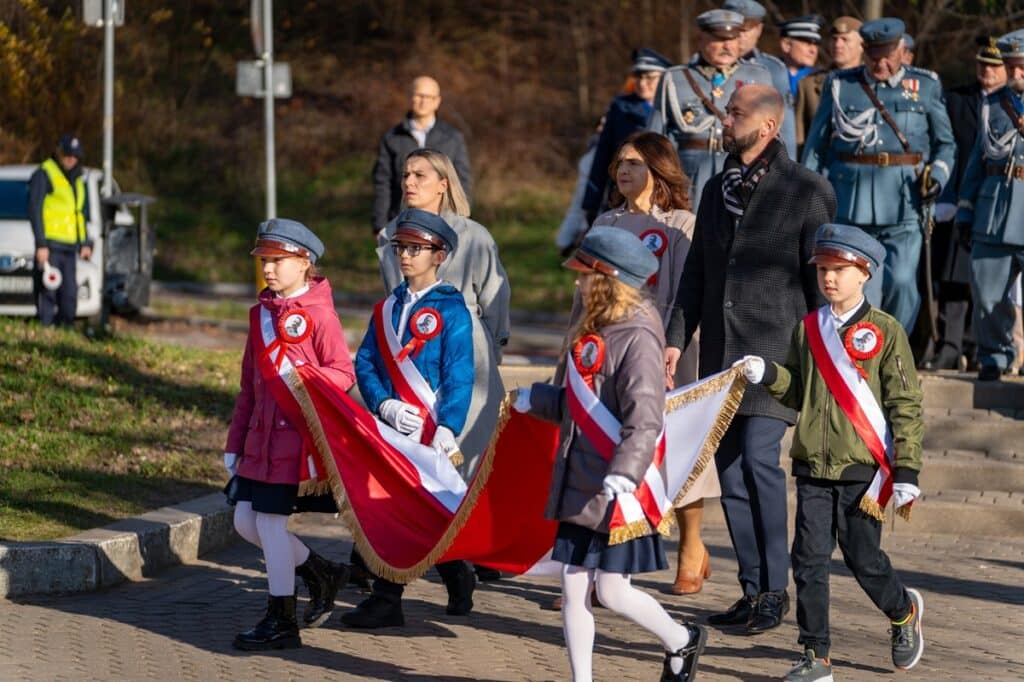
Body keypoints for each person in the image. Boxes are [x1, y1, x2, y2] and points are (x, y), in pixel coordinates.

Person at [664, 84, 836, 635]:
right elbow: (696, 274)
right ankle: (752, 587)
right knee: (732, 472)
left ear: (767, 126)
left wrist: (824, 361)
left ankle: (776, 592)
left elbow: (819, 285)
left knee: (761, 462)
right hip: (721, 354)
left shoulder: (807, 190)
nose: (725, 119)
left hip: (778, 357)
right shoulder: (716, 189)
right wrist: (675, 337)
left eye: (735, 113)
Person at [514, 226, 707, 682]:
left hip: (619, 489)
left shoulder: (638, 335)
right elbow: (578, 403)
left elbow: (646, 416)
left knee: (614, 591)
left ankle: (682, 639)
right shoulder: (594, 328)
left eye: (585, 277)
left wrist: (626, 471)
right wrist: (537, 399)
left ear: (607, 280)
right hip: (582, 478)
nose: (577, 284)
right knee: (574, 583)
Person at [739, 222, 925, 680]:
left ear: (864, 274)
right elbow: (797, 389)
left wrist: (908, 470)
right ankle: (815, 655)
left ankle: (903, 613)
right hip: (812, 466)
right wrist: (769, 375)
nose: (828, 278)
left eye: (839, 269)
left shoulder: (886, 330)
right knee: (808, 560)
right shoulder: (809, 329)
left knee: (864, 559)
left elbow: (905, 404)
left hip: (863, 469)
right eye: (823, 268)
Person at [591, 131, 719, 594]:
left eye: (634, 163)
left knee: (680, 445)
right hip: (613, 348)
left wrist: (673, 346)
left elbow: (690, 291)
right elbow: (587, 291)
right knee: (617, 445)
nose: (623, 171)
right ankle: (613, 554)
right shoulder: (604, 222)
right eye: (619, 164)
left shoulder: (682, 224)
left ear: (659, 169)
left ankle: (691, 545)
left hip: (670, 347)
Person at [224, 218, 355, 650]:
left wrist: (306, 378)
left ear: (305, 263)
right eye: (265, 259)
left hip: (294, 443)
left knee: (271, 526)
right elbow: (249, 387)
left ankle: (282, 619)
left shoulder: (320, 314)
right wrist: (234, 443)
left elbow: (342, 372)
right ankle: (320, 571)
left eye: (278, 260)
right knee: (246, 523)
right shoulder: (260, 315)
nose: (269, 268)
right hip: (259, 444)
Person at [344, 208, 477, 628]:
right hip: (391, 428)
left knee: (431, 511)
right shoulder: (385, 308)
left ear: (439, 255)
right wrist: (382, 403)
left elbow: (460, 375)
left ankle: (457, 573)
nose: (405, 255)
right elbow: (365, 362)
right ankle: (387, 598)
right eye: (402, 247)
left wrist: (448, 427)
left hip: (429, 430)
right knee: (389, 509)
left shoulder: (452, 310)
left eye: (416, 248)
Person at [803, 17, 956, 334]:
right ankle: (854, 353)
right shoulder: (840, 84)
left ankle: (892, 346)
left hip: (905, 199)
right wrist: (812, 194)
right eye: (873, 55)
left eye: (887, 55)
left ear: (902, 50)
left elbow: (945, 144)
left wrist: (938, 177)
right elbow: (816, 147)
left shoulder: (925, 86)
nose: (880, 63)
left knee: (901, 281)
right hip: (850, 199)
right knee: (853, 285)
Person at [376, 149, 510, 478]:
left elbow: (495, 296)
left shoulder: (473, 236)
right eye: (406, 174)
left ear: (442, 185)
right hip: (410, 356)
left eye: (419, 175)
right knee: (413, 460)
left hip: (467, 351)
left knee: (466, 457)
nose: (408, 181)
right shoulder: (388, 235)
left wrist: (491, 349)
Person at [925, 35, 1007, 370]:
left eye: (994, 65)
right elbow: (946, 148)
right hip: (959, 200)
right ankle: (950, 344)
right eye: (982, 63)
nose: (986, 70)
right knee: (953, 277)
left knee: (987, 278)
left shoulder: (1011, 103)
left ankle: (978, 346)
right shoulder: (956, 99)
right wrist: (946, 198)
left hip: (999, 203)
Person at [648, 9, 772, 209]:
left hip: (742, 174)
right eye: (719, 39)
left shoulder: (759, 77)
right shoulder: (675, 79)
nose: (727, 46)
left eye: (732, 39)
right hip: (688, 178)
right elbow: (654, 138)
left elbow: (773, 135)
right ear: (701, 39)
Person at [954, 29, 1024, 381]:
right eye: (1011, 68)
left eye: (1021, 68)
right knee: (986, 293)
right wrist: (965, 210)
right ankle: (995, 356)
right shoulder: (993, 105)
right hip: (994, 210)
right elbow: (977, 162)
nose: (1015, 76)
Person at [581, 48, 672, 224]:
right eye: (638, 77)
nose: (642, 83)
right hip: (626, 192)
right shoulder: (621, 107)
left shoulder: (676, 106)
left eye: (649, 77)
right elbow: (603, 157)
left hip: (664, 193)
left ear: (664, 77)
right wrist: (591, 203)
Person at [372, 76, 471, 234]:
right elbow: (383, 183)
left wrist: (461, 219)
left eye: (429, 96)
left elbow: (462, 181)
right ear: (410, 97)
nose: (423, 101)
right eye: (419, 95)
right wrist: (379, 224)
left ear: (437, 101)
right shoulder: (392, 137)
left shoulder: (453, 137)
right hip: (401, 223)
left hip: (444, 223)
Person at [28, 134, 92, 326]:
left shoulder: (78, 179)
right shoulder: (44, 173)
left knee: (69, 294)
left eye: (75, 156)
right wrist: (41, 244)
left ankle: (66, 331)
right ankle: (46, 332)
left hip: (70, 247)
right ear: (59, 153)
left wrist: (85, 242)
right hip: (51, 245)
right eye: (67, 155)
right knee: (48, 291)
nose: (71, 159)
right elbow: (35, 209)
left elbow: (79, 214)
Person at [722, 0, 799, 159]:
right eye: (736, 28)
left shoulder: (773, 70)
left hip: (753, 162)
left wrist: (786, 171)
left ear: (759, 29)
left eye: (747, 29)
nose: (741, 35)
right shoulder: (704, 66)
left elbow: (784, 128)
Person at [795, 16, 864, 156]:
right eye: (834, 39)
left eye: (845, 39)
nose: (838, 44)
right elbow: (799, 139)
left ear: (862, 45)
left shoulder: (873, 83)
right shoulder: (809, 84)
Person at [556, 117, 603, 255]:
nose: (600, 127)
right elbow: (578, 202)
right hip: (583, 208)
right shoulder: (593, 146)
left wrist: (586, 227)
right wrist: (564, 238)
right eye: (600, 123)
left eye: (605, 124)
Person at [778, 15, 825, 103]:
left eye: (816, 44)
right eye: (807, 43)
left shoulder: (822, 79)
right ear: (786, 45)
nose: (813, 50)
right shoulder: (768, 74)